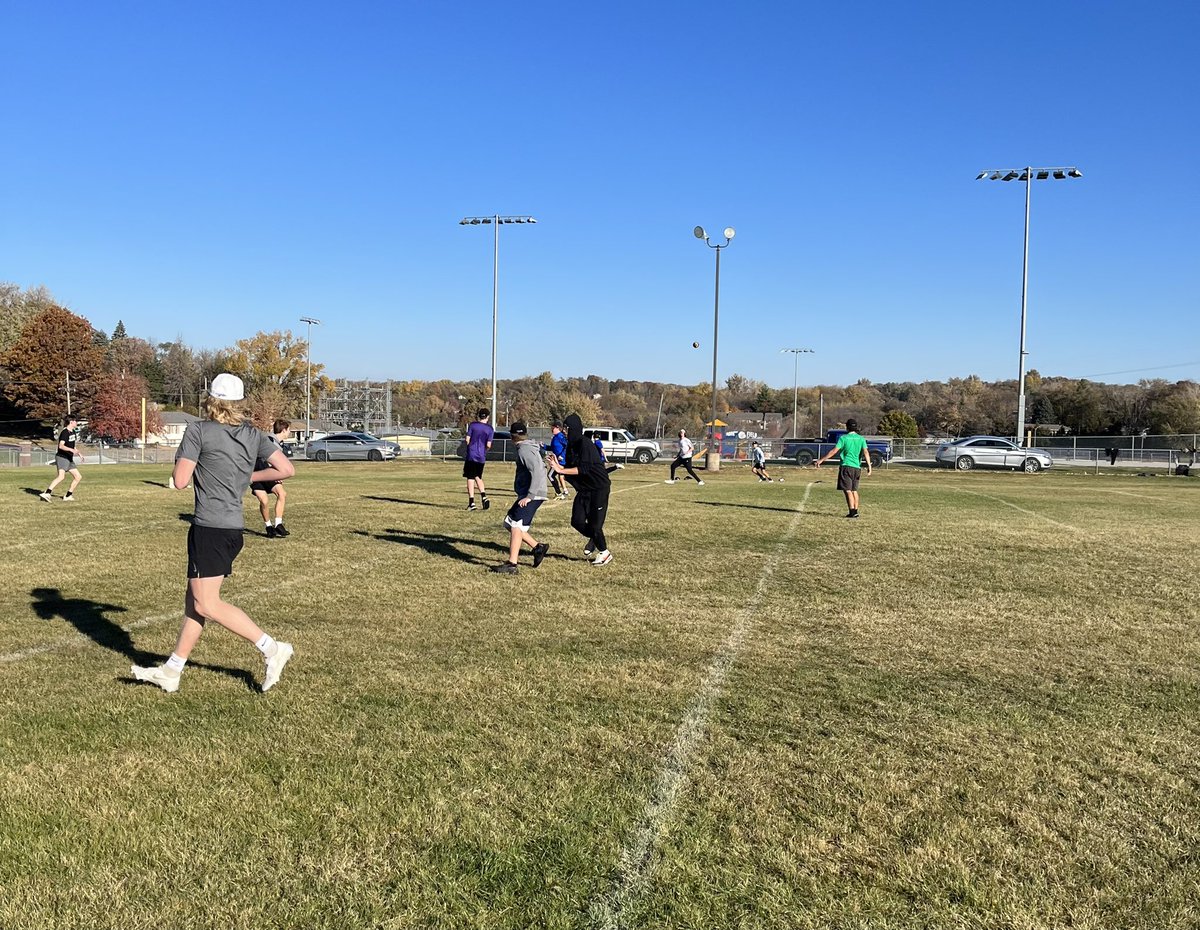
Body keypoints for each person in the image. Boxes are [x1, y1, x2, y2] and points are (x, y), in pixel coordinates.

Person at [131, 373, 296, 693]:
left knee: (206, 604)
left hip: (209, 527)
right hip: (232, 529)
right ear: (239, 403)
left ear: (210, 400)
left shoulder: (198, 430)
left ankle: (273, 649)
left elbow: (179, 481)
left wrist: (194, 462)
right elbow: (286, 470)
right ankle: (172, 670)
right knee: (194, 603)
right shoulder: (254, 434)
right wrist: (249, 474)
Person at [547, 413, 613, 566]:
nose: (564, 431)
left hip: (598, 488)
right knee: (576, 521)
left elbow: (583, 469)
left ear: (574, 429)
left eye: (567, 429)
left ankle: (604, 553)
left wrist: (560, 470)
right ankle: (596, 539)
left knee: (595, 525)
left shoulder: (585, 444)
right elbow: (571, 468)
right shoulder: (571, 446)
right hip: (584, 490)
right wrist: (558, 465)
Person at [490, 421, 550, 574]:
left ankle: (512, 564)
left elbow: (537, 471)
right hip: (529, 493)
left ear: (512, 436)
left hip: (533, 494)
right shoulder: (526, 447)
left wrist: (530, 496)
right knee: (509, 523)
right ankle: (538, 547)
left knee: (516, 526)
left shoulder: (524, 450)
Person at [813, 418, 872, 518]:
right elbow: (866, 452)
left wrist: (821, 460)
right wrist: (869, 466)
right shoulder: (861, 439)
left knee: (847, 490)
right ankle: (855, 511)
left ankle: (852, 512)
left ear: (847, 427)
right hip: (857, 468)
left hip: (846, 466)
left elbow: (834, 451)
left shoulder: (843, 438)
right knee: (854, 490)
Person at [251, 419, 292, 537]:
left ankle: (278, 524)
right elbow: (266, 459)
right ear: (284, 430)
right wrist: (277, 472)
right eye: (289, 430)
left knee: (282, 494)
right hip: (258, 472)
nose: (289, 432)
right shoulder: (269, 440)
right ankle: (269, 527)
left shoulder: (279, 444)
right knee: (264, 501)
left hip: (268, 473)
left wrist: (279, 472)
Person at [40, 416, 82, 501]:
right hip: (62, 457)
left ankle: (68, 496)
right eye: (75, 421)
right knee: (61, 476)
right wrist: (71, 450)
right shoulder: (65, 432)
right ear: (71, 422)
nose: (76, 423)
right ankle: (47, 493)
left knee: (78, 477)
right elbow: (61, 446)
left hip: (69, 458)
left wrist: (79, 453)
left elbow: (72, 445)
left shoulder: (73, 432)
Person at [463, 408, 494, 511]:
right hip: (481, 456)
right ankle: (484, 496)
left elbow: (467, 439)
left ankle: (471, 503)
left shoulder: (473, 425)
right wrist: (484, 451)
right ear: (488, 417)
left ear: (479, 416)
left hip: (472, 455)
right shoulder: (490, 429)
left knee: (470, 477)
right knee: (478, 476)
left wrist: (470, 447)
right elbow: (489, 444)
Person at [547, 421, 569, 500]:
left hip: (560, 461)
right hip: (556, 460)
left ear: (557, 428)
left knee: (550, 475)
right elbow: (553, 448)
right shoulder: (555, 437)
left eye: (553, 428)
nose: (551, 429)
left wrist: (562, 456)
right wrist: (544, 446)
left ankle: (559, 493)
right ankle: (562, 492)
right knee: (557, 476)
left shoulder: (560, 436)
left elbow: (567, 445)